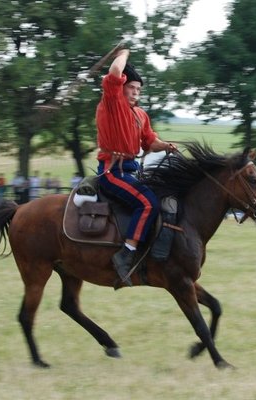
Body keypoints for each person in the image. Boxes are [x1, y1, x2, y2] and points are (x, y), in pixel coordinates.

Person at [96, 47, 176, 286]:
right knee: (147, 202)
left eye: (139, 90)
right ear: (120, 87)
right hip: (112, 172)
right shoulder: (112, 102)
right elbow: (115, 71)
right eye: (131, 88)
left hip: (131, 171)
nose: (135, 93)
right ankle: (126, 254)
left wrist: (165, 146)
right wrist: (125, 52)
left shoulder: (141, 114)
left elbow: (150, 142)